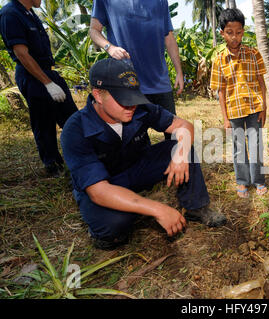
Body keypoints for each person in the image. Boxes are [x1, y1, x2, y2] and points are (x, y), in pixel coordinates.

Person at [61, 59, 227, 250]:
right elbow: (99, 192)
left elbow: (184, 126)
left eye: (134, 97)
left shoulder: (140, 108)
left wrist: (180, 154)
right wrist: (157, 209)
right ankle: (104, 231)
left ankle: (196, 207)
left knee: (182, 145)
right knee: (115, 225)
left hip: (137, 167)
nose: (132, 106)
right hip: (105, 184)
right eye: (124, 99)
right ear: (98, 95)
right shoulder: (75, 130)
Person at [0, 0, 78, 176]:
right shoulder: (10, 14)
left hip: (47, 71)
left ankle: (84, 156)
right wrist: (47, 83)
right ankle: (53, 166)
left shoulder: (30, 13)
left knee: (72, 118)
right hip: (32, 75)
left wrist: (52, 79)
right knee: (44, 122)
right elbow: (21, 54)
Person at [89, 0, 183, 140]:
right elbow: (94, 30)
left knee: (175, 137)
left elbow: (168, 37)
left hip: (159, 81)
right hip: (127, 84)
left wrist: (179, 72)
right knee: (134, 141)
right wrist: (110, 47)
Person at [210, 8, 268, 199]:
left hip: (254, 109)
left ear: (243, 31)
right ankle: (242, 181)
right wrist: (225, 119)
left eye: (238, 32)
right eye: (229, 33)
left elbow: (262, 83)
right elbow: (221, 91)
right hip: (234, 111)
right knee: (239, 147)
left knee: (256, 145)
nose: (234, 37)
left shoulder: (253, 54)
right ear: (222, 33)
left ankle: (258, 180)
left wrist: (264, 107)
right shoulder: (219, 60)